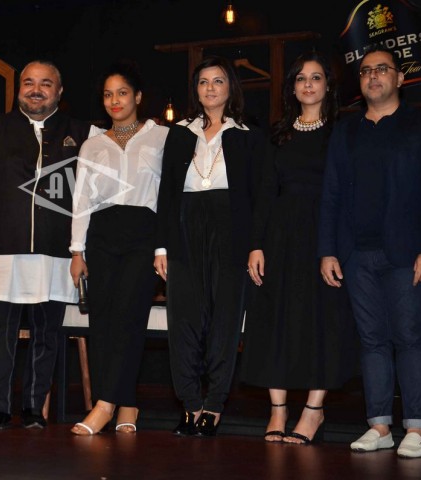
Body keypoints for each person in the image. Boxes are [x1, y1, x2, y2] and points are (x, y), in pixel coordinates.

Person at [0, 60, 98, 432]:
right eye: (29, 83)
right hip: (1, 248)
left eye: (46, 83)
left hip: (57, 251)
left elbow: (104, 183)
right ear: (19, 88)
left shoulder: (84, 132)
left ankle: (34, 408)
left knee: (46, 332)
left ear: (59, 91)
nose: (36, 90)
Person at [240, 51, 356, 444]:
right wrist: (256, 245)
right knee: (275, 320)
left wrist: (335, 245)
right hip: (279, 237)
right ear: (291, 87)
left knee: (321, 321)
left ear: (328, 86)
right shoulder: (277, 134)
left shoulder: (341, 132)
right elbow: (264, 194)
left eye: (316, 77)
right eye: (301, 78)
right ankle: (278, 409)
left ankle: (313, 410)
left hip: (324, 237)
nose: (308, 84)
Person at [318, 43, 421, 458]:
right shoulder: (346, 130)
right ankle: (379, 426)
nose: (373, 76)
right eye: (365, 71)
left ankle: (416, 427)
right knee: (371, 340)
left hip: (406, 252)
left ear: (400, 77)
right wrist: (328, 250)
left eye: (382, 69)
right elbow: (331, 194)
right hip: (356, 255)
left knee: (410, 337)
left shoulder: (417, 124)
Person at [154, 56, 265, 436]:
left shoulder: (248, 134)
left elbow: (259, 196)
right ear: (195, 90)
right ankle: (189, 402)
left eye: (218, 81)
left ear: (230, 87)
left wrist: (256, 244)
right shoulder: (179, 133)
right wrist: (161, 247)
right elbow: (166, 193)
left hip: (231, 228)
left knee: (225, 320)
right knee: (183, 319)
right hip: (185, 225)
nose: (210, 88)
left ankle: (215, 404)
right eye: (203, 82)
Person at [69, 61, 168, 435]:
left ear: (137, 97)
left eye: (122, 93)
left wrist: (162, 247)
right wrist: (77, 251)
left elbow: (168, 196)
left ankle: (104, 404)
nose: (115, 100)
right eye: (108, 94)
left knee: (129, 318)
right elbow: (81, 199)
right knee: (103, 322)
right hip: (101, 235)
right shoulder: (92, 143)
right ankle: (127, 402)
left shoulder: (162, 137)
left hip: (143, 234)